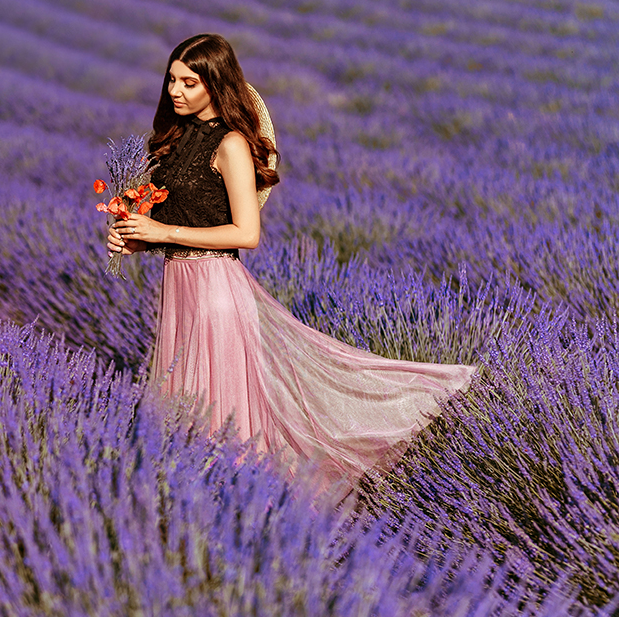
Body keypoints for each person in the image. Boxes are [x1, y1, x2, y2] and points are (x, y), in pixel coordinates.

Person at [108, 34, 474, 486]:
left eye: (189, 82)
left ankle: (240, 500)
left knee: (218, 416)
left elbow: (246, 233)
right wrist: (138, 238)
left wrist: (162, 231)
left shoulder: (232, 146)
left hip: (215, 291)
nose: (175, 91)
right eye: (171, 80)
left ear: (215, 85)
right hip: (179, 287)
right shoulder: (175, 142)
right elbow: (179, 222)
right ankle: (189, 496)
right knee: (181, 409)